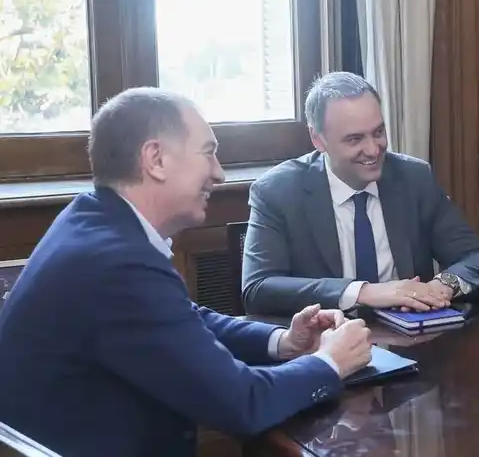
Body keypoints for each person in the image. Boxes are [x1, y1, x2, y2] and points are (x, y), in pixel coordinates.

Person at [0, 88, 373, 456]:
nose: (220, 174)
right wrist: (329, 362)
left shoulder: (92, 218)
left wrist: (282, 342)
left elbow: (184, 320)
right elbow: (244, 404)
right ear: (156, 159)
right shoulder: (119, 264)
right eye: (208, 154)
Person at [242, 72, 479, 317]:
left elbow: (476, 257)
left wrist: (440, 287)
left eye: (378, 132)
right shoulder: (278, 192)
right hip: (324, 346)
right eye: (354, 139)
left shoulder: (414, 178)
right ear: (318, 140)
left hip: (411, 341)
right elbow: (258, 288)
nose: (373, 150)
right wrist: (363, 293)